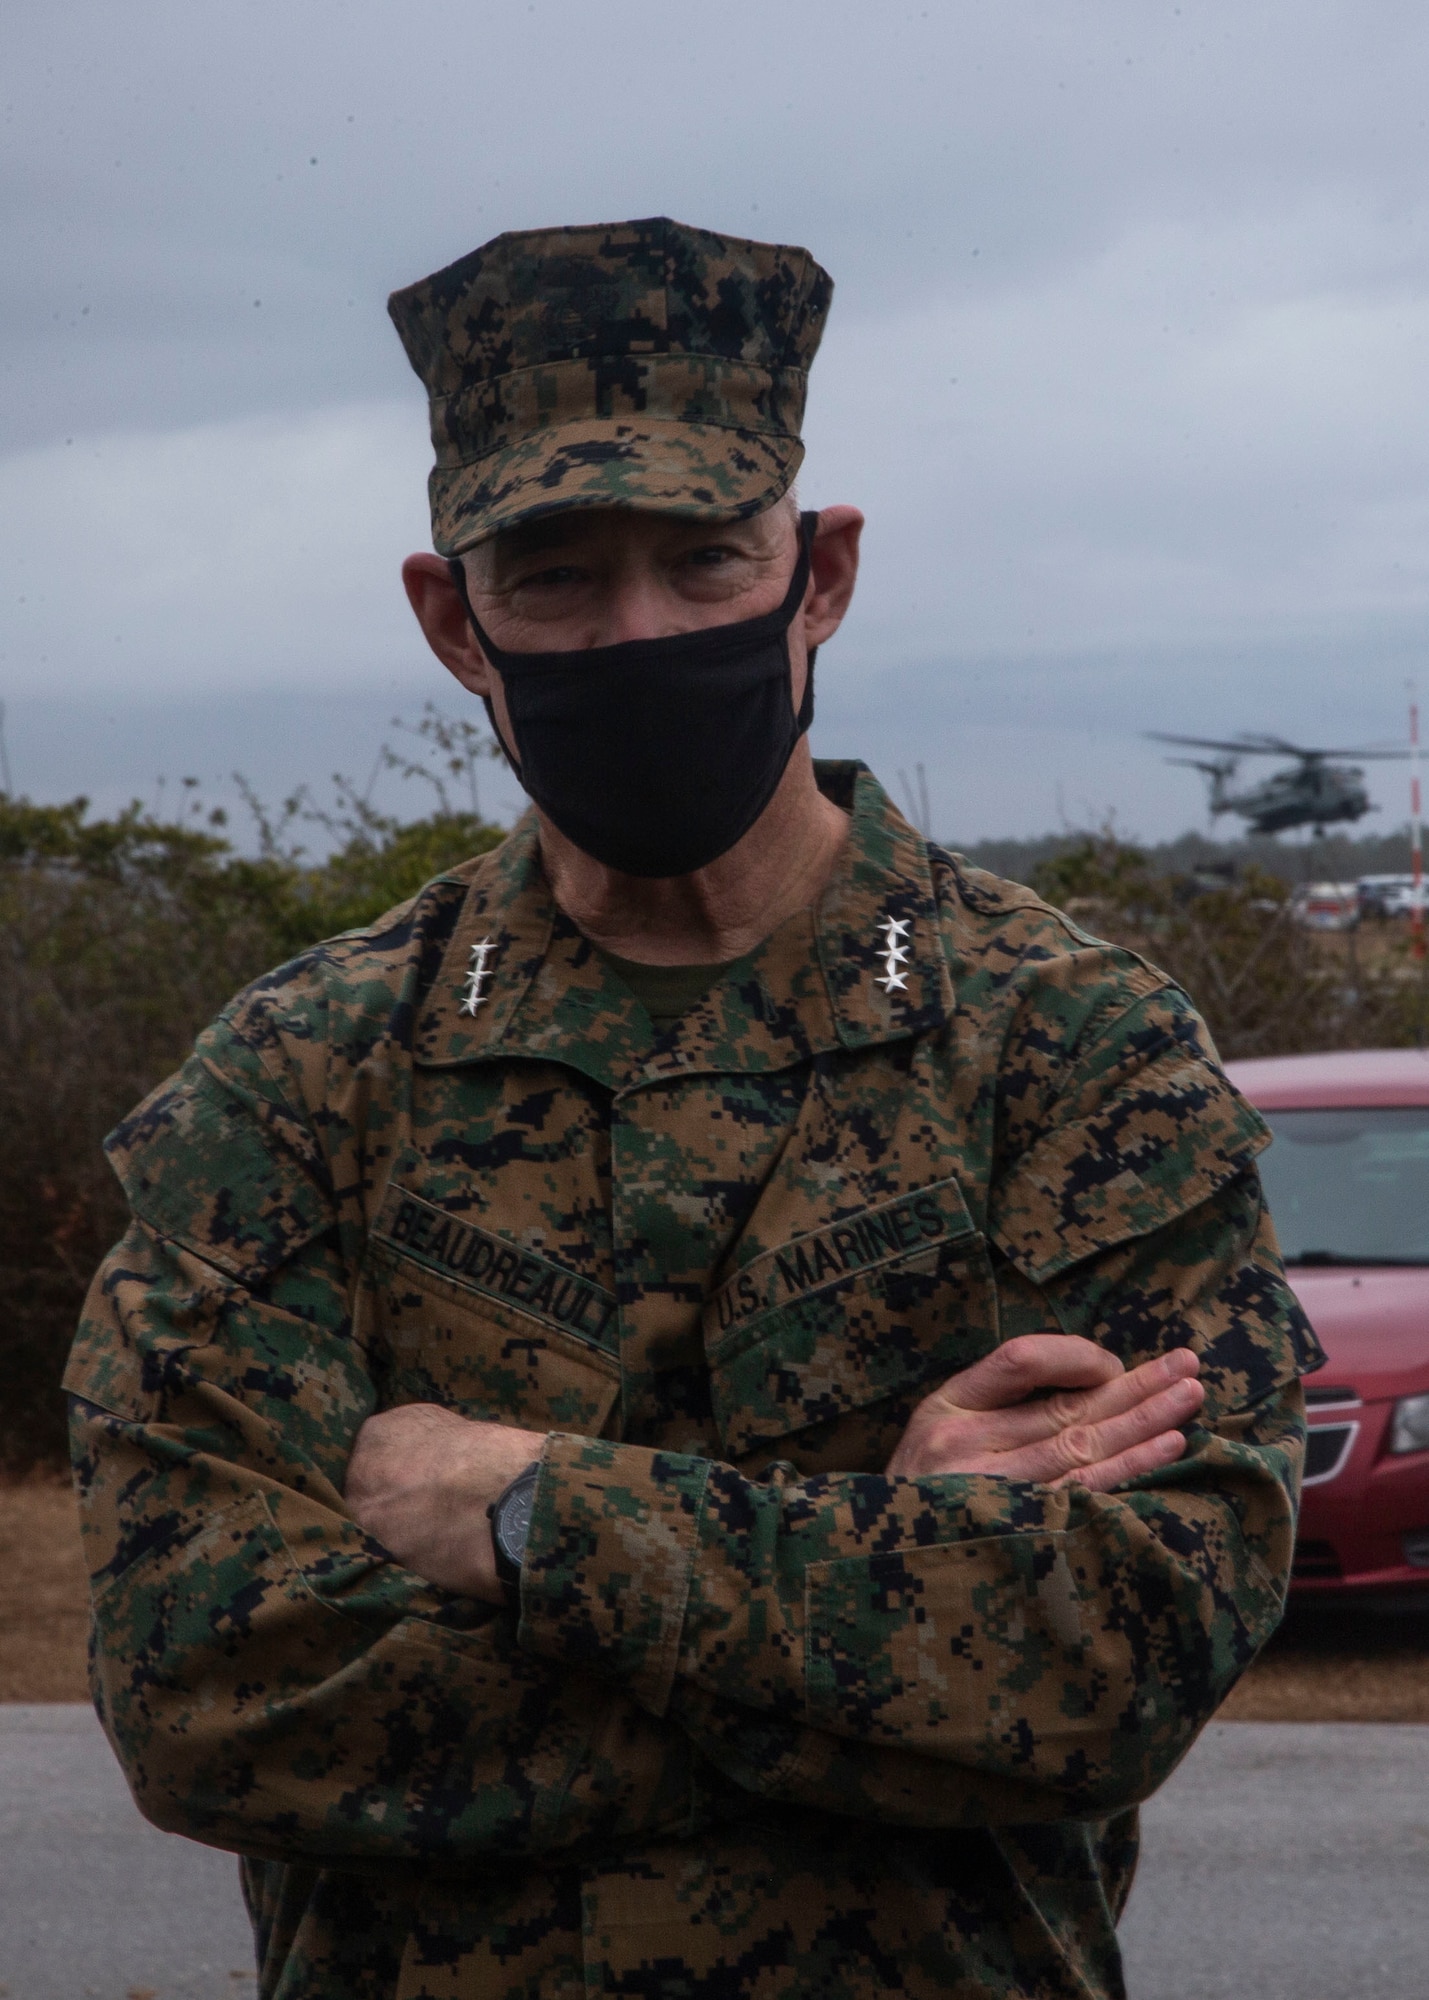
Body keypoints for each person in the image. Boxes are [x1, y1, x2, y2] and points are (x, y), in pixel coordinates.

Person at [66, 217, 1322, 2000]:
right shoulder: (301, 1075)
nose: (634, 630)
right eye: (555, 576)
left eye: (704, 561)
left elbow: (1113, 1654)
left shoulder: (1071, 1052)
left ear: (819, 577)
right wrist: (867, 1589)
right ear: (451, 617)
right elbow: (204, 1691)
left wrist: (529, 1521)